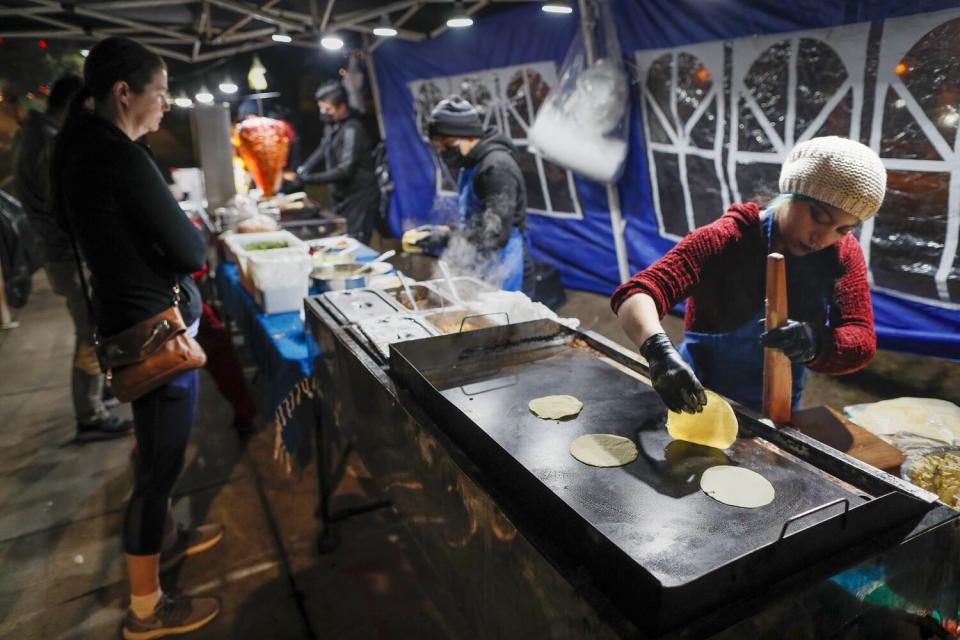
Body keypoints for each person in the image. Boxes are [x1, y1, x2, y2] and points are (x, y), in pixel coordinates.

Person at [50, 37, 221, 638]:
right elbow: (190, 251)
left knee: (153, 453)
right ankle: (147, 609)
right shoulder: (120, 156)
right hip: (157, 335)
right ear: (124, 93)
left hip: (125, 320)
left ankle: (167, 539)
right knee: (157, 471)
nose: (167, 104)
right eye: (162, 92)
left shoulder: (76, 148)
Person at [613, 136, 884, 414]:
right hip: (696, 391)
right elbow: (639, 292)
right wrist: (658, 352)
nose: (822, 239)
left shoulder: (841, 254)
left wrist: (816, 342)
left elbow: (862, 339)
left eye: (842, 229)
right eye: (818, 216)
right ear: (791, 192)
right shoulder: (728, 238)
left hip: (778, 404)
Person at [14, 74, 134, 440]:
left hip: (61, 252)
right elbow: (63, 205)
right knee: (90, 333)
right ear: (75, 107)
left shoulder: (34, 135)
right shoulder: (49, 144)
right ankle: (90, 415)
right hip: (67, 255)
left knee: (92, 328)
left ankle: (100, 393)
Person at [425, 95, 535, 296]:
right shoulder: (472, 163)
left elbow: (494, 233)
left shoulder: (496, 168)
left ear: (468, 135)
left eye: (447, 144)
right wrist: (446, 229)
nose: (443, 152)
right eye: (438, 147)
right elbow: (479, 220)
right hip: (483, 261)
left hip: (507, 265)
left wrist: (447, 238)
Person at [295, 81, 379, 244]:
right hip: (342, 196)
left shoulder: (352, 129)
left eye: (328, 110)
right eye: (321, 109)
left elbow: (345, 170)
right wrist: (304, 168)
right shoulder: (332, 126)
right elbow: (323, 148)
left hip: (359, 198)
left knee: (356, 242)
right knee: (343, 239)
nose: (324, 113)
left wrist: (311, 179)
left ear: (342, 107)